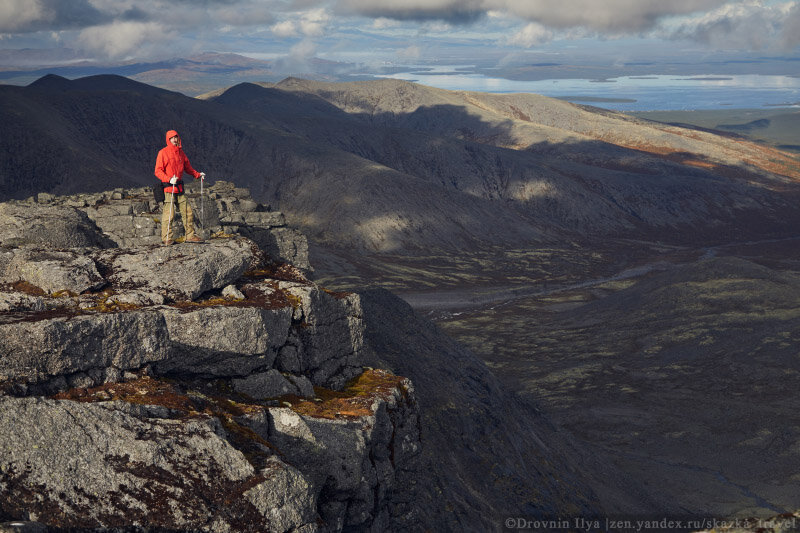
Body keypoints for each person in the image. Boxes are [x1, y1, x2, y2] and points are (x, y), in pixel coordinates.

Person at [154, 130, 205, 245]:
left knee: (187, 212)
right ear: (168, 140)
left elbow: (188, 168)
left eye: (176, 137)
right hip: (168, 189)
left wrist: (198, 174)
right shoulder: (163, 153)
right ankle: (166, 238)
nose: (174, 140)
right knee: (169, 214)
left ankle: (190, 236)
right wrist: (168, 179)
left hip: (179, 189)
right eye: (172, 138)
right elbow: (158, 171)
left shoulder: (181, 153)